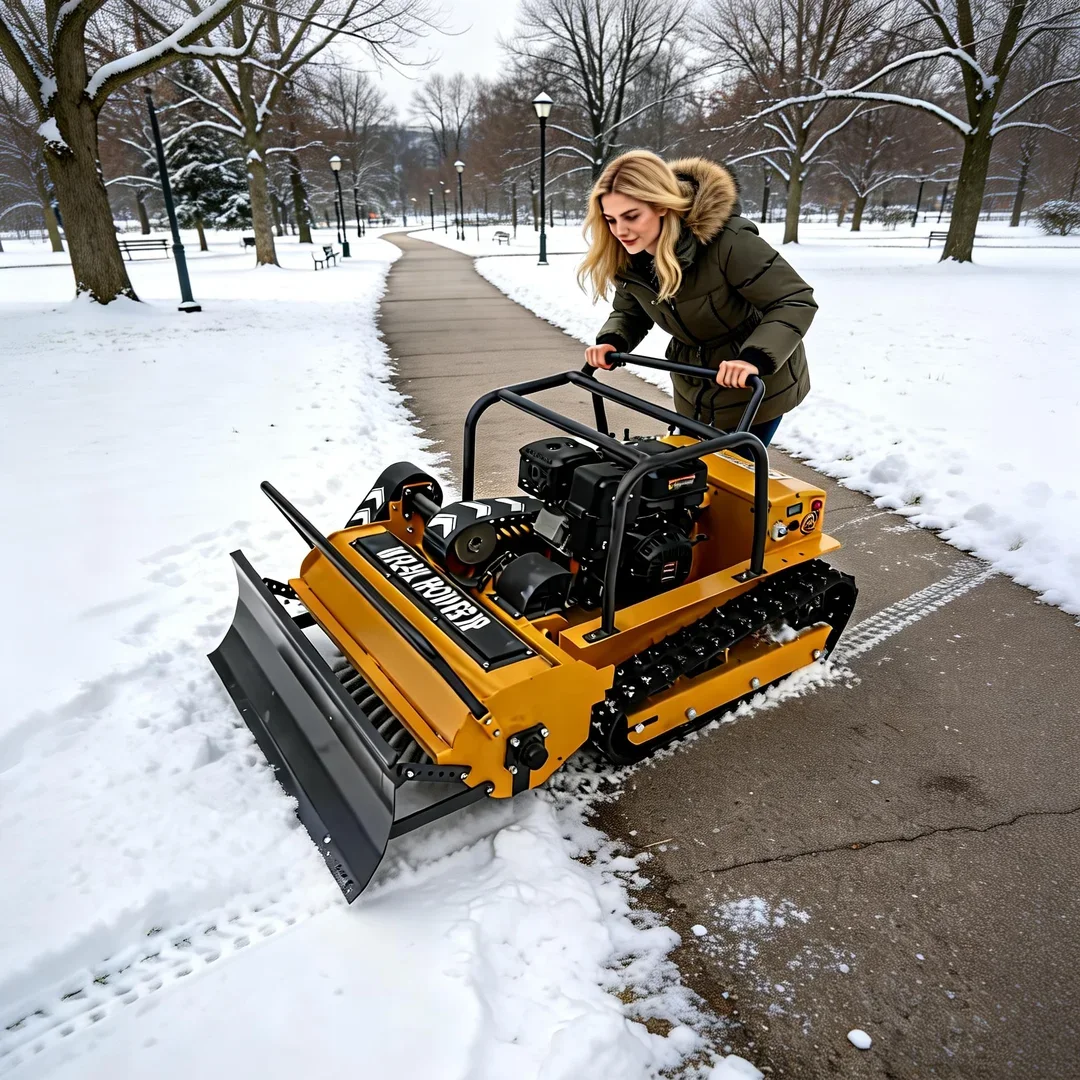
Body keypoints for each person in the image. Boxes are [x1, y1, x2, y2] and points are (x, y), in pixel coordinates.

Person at [580, 150, 816, 450]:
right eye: (610, 219)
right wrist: (613, 341)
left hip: (753, 384)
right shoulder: (632, 257)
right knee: (683, 478)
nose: (620, 231)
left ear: (663, 206)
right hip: (695, 382)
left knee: (735, 479)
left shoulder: (728, 241)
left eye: (631, 216)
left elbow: (794, 299)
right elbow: (631, 312)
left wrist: (752, 358)